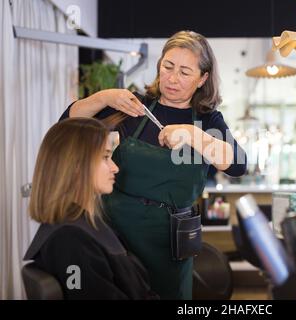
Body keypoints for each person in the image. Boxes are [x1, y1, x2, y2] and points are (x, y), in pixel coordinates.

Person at [60, 30, 247, 299]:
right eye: (167, 66)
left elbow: (239, 164)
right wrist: (104, 98)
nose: (172, 78)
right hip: (117, 233)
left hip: (171, 242)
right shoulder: (136, 107)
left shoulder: (207, 121)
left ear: (202, 79)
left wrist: (193, 135)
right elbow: (67, 124)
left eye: (184, 72)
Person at [24, 118, 158, 300]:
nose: (115, 168)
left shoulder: (88, 226)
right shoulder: (70, 240)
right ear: (76, 165)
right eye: (105, 157)